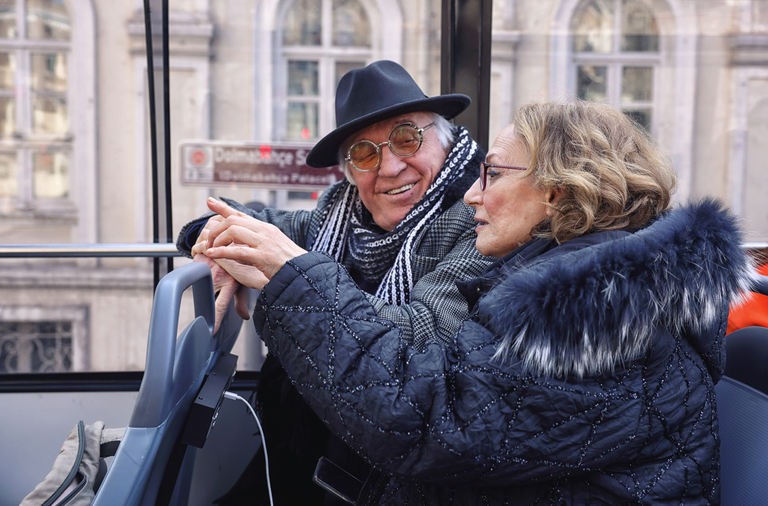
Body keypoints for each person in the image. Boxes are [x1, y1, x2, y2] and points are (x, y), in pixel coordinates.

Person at [203, 100, 757, 505]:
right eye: (366, 155)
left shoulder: (592, 316)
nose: (471, 191)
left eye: (490, 174)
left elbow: (419, 419)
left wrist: (292, 280)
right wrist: (226, 240)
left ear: (558, 190)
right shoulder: (563, 280)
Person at [177, 60, 493, 504]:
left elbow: (423, 333)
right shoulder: (344, 215)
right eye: (365, 153)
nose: (389, 167)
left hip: (392, 470)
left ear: (443, 141)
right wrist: (211, 234)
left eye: (406, 138)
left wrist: (292, 277)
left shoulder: (479, 219)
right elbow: (262, 223)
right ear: (348, 169)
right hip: (311, 445)